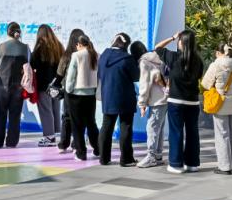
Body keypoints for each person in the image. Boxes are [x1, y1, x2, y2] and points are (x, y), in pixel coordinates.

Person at [156, 30, 203, 174]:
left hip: (176, 101)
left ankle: (176, 164)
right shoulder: (198, 61)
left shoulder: (173, 57)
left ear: (181, 42)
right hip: (193, 102)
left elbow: (157, 47)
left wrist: (172, 37)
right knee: (192, 132)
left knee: (176, 132)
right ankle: (192, 164)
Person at [98, 34, 140, 166]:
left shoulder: (103, 56)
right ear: (126, 45)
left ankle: (104, 158)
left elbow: (99, 74)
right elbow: (136, 76)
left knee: (106, 127)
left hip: (107, 96)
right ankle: (126, 159)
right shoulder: (127, 59)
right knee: (125, 126)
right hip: (125, 97)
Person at [202, 44, 232, 174]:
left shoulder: (216, 65)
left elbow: (205, 84)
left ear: (218, 53)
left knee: (222, 135)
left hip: (221, 104)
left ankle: (225, 166)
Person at [0, 22, 31, 148]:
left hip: (2, 82)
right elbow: (28, 64)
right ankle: (12, 142)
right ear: (19, 32)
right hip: (18, 84)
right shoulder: (25, 47)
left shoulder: (1, 47)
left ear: (8, 32)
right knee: (15, 114)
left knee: (0, 113)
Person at [64, 34, 100, 160]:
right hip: (91, 94)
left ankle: (81, 152)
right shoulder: (96, 55)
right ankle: (98, 148)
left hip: (77, 95)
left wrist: (68, 90)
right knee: (91, 123)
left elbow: (71, 75)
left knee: (77, 125)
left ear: (79, 44)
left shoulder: (76, 55)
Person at [31, 25, 64, 147]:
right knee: (55, 110)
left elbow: (32, 64)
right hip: (56, 84)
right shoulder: (59, 46)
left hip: (43, 85)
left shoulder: (39, 49)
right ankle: (57, 134)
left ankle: (49, 137)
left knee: (46, 111)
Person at [136, 45, 168, 168]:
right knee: (159, 127)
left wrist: (142, 103)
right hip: (165, 98)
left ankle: (151, 157)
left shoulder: (144, 62)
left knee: (152, 128)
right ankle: (158, 156)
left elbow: (144, 84)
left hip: (156, 100)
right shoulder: (160, 58)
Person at [54, 28, 86, 153]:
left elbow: (59, 74)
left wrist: (56, 86)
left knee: (67, 117)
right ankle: (76, 144)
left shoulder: (67, 55)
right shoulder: (87, 55)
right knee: (81, 118)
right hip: (84, 90)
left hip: (69, 90)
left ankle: (63, 144)